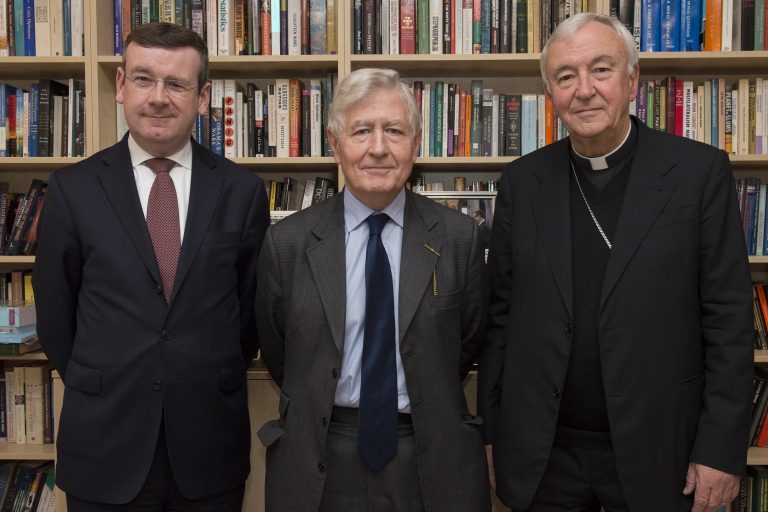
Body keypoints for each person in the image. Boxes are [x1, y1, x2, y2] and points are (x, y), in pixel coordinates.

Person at [477, 12, 754, 512]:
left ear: (632, 82)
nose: (584, 90)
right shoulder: (522, 181)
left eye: (601, 70)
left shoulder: (698, 174)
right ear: (551, 95)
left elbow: (729, 327)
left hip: (659, 449)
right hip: (545, 453)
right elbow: (502, 319)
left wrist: (720, 451)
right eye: (566, 77)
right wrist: (494, 435)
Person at [33, 22, 269, 511]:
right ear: (120, 86)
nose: (159, 97)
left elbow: (250, 314)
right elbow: (57, 319)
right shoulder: (71, 190)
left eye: (177, 84)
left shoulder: (242, 192)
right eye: (143, 79)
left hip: (209, 447)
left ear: (202, 96)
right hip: (104, 443)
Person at [255, 67, 490, 511]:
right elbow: (278, 349)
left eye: (394, 131)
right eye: (361, 130)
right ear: (335, 143)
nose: (378, 148)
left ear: (416, 143)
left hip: (431, 454)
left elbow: (466, 342)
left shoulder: (460, 238)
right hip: (321, 453)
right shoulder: (287, 242)